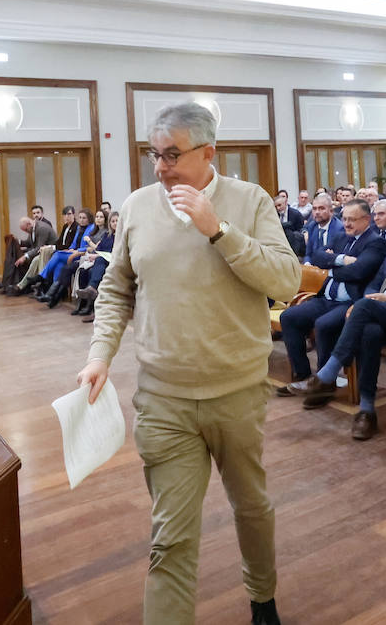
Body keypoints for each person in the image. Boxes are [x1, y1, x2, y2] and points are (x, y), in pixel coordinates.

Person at [77, 103, 299, 625]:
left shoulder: (249, 201)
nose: (161, 167)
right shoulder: (136, 207)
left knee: (252, 508)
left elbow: (286, 281)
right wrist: (99, 355)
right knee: (170, 537)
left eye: (172, 155)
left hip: (238, 392)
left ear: (208, 153)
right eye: (155, 155)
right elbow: (116, 288)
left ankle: (262, 596)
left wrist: (218, 230)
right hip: (163, 397)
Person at [283, 213, 386, 439]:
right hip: (380, 312)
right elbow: (374, 283)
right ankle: (367, 409)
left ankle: (327, 374)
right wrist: (373, 297)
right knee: (369, 333)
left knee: (362, 308)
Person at [277, 200, 386, 386]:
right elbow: (318, 256)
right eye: (344, 218)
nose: (347, 223)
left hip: (349, 302)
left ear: (367, 219)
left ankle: (323, 382)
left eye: (352, 219)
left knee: (323, 324)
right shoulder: (341, 237)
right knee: (289, 316)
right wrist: (342, 259)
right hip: (325, 298)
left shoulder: (376, 243)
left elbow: (359, 271)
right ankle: (303, 375)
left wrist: (330, 268)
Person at [37, 208, 99, 307]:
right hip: (74, 252)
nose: (82, 220)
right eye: (80, 218)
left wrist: (76, 251)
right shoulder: (79, 228)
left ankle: (41, 278)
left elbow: (89, 247)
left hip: (82, 255)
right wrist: (70, 249)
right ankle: (52, 296)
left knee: (57, 255)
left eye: (84, 218)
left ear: (89, 219)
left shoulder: (92, 228)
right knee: (59, 265)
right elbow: (74, 243)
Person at [72, 210, 121, 320]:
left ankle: (93, 300)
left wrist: (98, 256)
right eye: (113, 221)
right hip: (103, 261)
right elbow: (98, 249)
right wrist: (95, 255)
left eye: (117, 221)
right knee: (84, 271)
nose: (115, 223)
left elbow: (119, 253)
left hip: (117, 262)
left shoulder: (122, 236)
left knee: (98, 264)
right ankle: (86, 305)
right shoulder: (107, 235)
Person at [303, 193, 343, 265]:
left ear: (331, 211)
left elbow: (339, 257)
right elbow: (308, 254)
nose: (317, 212)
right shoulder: (312, 226)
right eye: (314, 209)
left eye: (321, 208)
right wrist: (307, 263)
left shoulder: (339, 228)